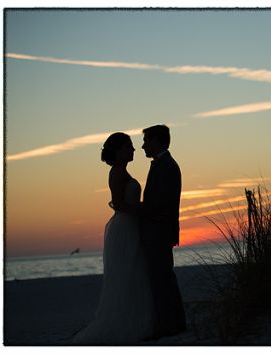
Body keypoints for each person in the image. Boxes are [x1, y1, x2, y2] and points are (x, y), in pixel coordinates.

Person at [72, 132, 155, 344]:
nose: (133, 150)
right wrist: (144, 210)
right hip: (125, 228)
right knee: (127, 274)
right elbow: (118, 204)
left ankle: (136, 320)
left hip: (129, 226)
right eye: (128, 147)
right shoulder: (117, 173)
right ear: (118, 151)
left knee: (133, 274)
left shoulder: (122, 172)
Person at [139, 124, 187, 339]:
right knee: (162, 278)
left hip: (159, 231)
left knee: (161, 279)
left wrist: (132, 209)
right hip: (158, 230)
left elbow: (159, 204)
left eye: (146, 141)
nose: (142, 146)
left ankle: (170, 325)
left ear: (156, 141)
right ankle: (173, 323)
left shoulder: (166, 166)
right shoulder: (162, 164)